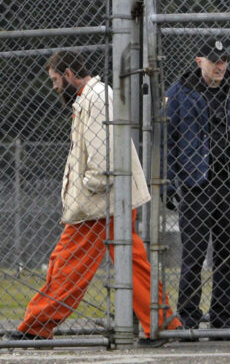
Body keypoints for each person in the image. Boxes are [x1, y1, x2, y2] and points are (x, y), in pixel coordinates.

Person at [5, 51, 181, 347]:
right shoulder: (95, 96)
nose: (55, 86)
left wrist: (91, 184)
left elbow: (103, 151)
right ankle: (162, 323)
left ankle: (38, 325)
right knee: (132, 262)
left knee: (67, 264)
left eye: (56, 79)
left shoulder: (96, 97)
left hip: (99, 202)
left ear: (70, 72)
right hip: (110, 200)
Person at [165, 38, 230, 341]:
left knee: (226, 255)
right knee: (193, 255)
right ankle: (188, 319)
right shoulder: (180, 93)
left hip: (229, 186)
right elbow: (168, 140)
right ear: (200, 61)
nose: (221, 66)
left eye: (224, 60)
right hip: (196, 186)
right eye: (214, 61)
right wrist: (169, 181)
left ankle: (222, 319)